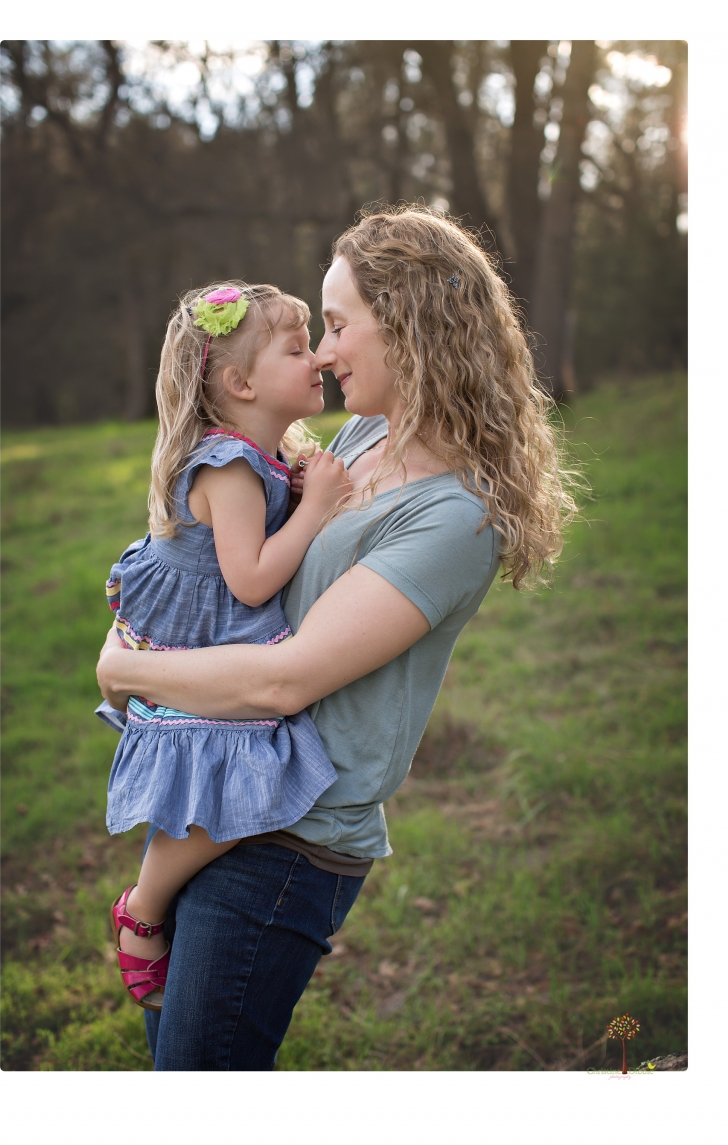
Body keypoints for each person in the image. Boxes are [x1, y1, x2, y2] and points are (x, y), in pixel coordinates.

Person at [97, 205, 577, 1069]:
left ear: (411, 327)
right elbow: (232, 548)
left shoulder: (455, 518)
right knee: (173, 1057)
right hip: (223, 776)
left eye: (339, 325)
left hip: (290, 839)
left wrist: (129, 669)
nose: (322, 352)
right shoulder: (365, 433)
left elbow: (287, 681)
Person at [100, 282, 351, 1010]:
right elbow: (252, 579)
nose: (319, 360)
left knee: (235, 780)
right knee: (235, 776)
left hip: (211, 627)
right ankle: (143, 908)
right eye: (298, 349)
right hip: (199, 634)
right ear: (241, 384)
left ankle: (155, 904)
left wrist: (298, 493)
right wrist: (317, 508)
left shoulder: (256, 457)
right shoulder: (229, 466)